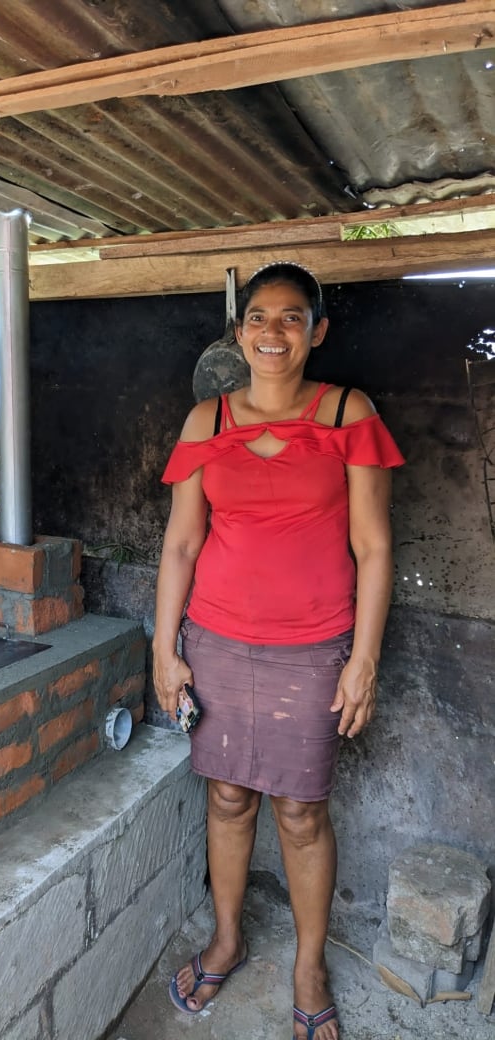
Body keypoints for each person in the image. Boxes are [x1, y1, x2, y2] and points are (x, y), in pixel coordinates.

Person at [152, 261, 404, 1040]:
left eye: (292, 318)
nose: (272, 332)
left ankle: (308, 965)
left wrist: (363, 659)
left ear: (317, 331)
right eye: (258, 318)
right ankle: (227, 939)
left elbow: (374, 546)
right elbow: (181, 546)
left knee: (300, 811)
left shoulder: (346, 413)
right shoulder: (207, 423)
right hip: (218, 641)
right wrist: (165, 649)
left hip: (313, 649)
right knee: (228, 795)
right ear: (239, 332)